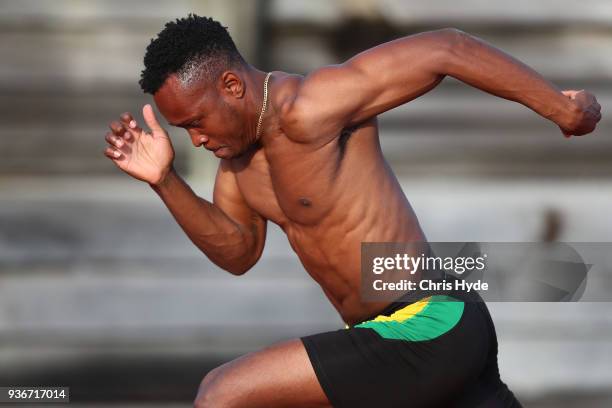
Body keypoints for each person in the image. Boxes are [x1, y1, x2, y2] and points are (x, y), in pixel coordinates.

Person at [103, 15, 600, 408]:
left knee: (222, 394)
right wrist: (166, 181)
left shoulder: (314, 106)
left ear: (231, 86)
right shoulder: (235, 167)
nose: (197, 139)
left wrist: (562, 109)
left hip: (428, 322)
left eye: (196, 121)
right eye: (184, 130)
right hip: (393, 337)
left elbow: (446, 48)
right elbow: (238, 253)